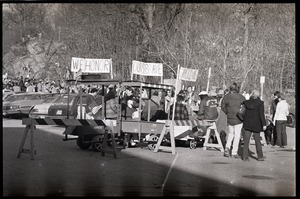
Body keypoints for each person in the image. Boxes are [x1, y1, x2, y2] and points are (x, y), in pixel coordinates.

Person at [221, 83, 245, 158]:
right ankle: (234, 152)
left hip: (230, 118)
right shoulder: (241, 97)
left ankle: (227, 147)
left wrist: (227, 112)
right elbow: (245, 107)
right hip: (239, 118)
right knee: (237, 135)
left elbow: (222, 107)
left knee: (231, 133)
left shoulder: (226, 97)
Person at [242, 90, 267, 161]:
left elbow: (242, 112)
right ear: (258, 95)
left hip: (247, 123)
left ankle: (245, 157)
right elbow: (261, 114)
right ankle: (260, 156)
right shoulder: (260, 103)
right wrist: (264, 124)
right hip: (257, 124)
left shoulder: (246, 102)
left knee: (246, 141)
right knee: (257, 141)